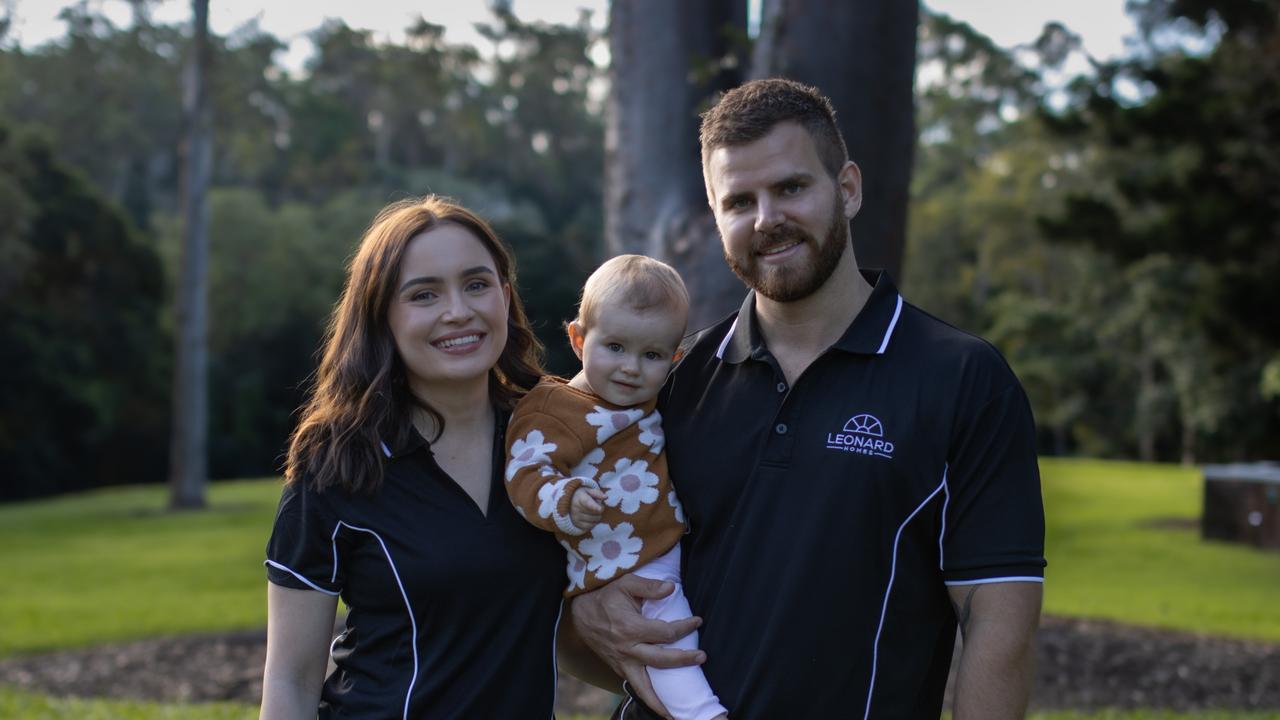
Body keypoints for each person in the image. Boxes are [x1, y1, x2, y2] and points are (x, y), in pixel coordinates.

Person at [570, 78, 1046, 719]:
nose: (766, 220)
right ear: (717, 216)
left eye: (791, 188)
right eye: (740, 201)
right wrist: (581, 610)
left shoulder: (962, 378)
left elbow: (999, 626)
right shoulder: (673, 382)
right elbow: (578, 603)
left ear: (847, 189)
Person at [258, 196, 565, 719]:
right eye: (424, 295)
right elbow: (291, 678)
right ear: (382, 318)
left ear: (505, 297)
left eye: (476, 284)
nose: (458, 311)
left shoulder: (557, 439)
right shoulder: (339, 462)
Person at [505, 254, 729, 720]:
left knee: (698, 636)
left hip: (669, 547)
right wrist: (566, 500)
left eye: (651, 356)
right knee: (669, 645)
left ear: (675, 359)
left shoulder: (658, 400)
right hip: (618, 565)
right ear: (578, 339)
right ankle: (702, 715)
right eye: (615, 347)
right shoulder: (554, 407)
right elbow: (525, 473)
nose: (631, 368)